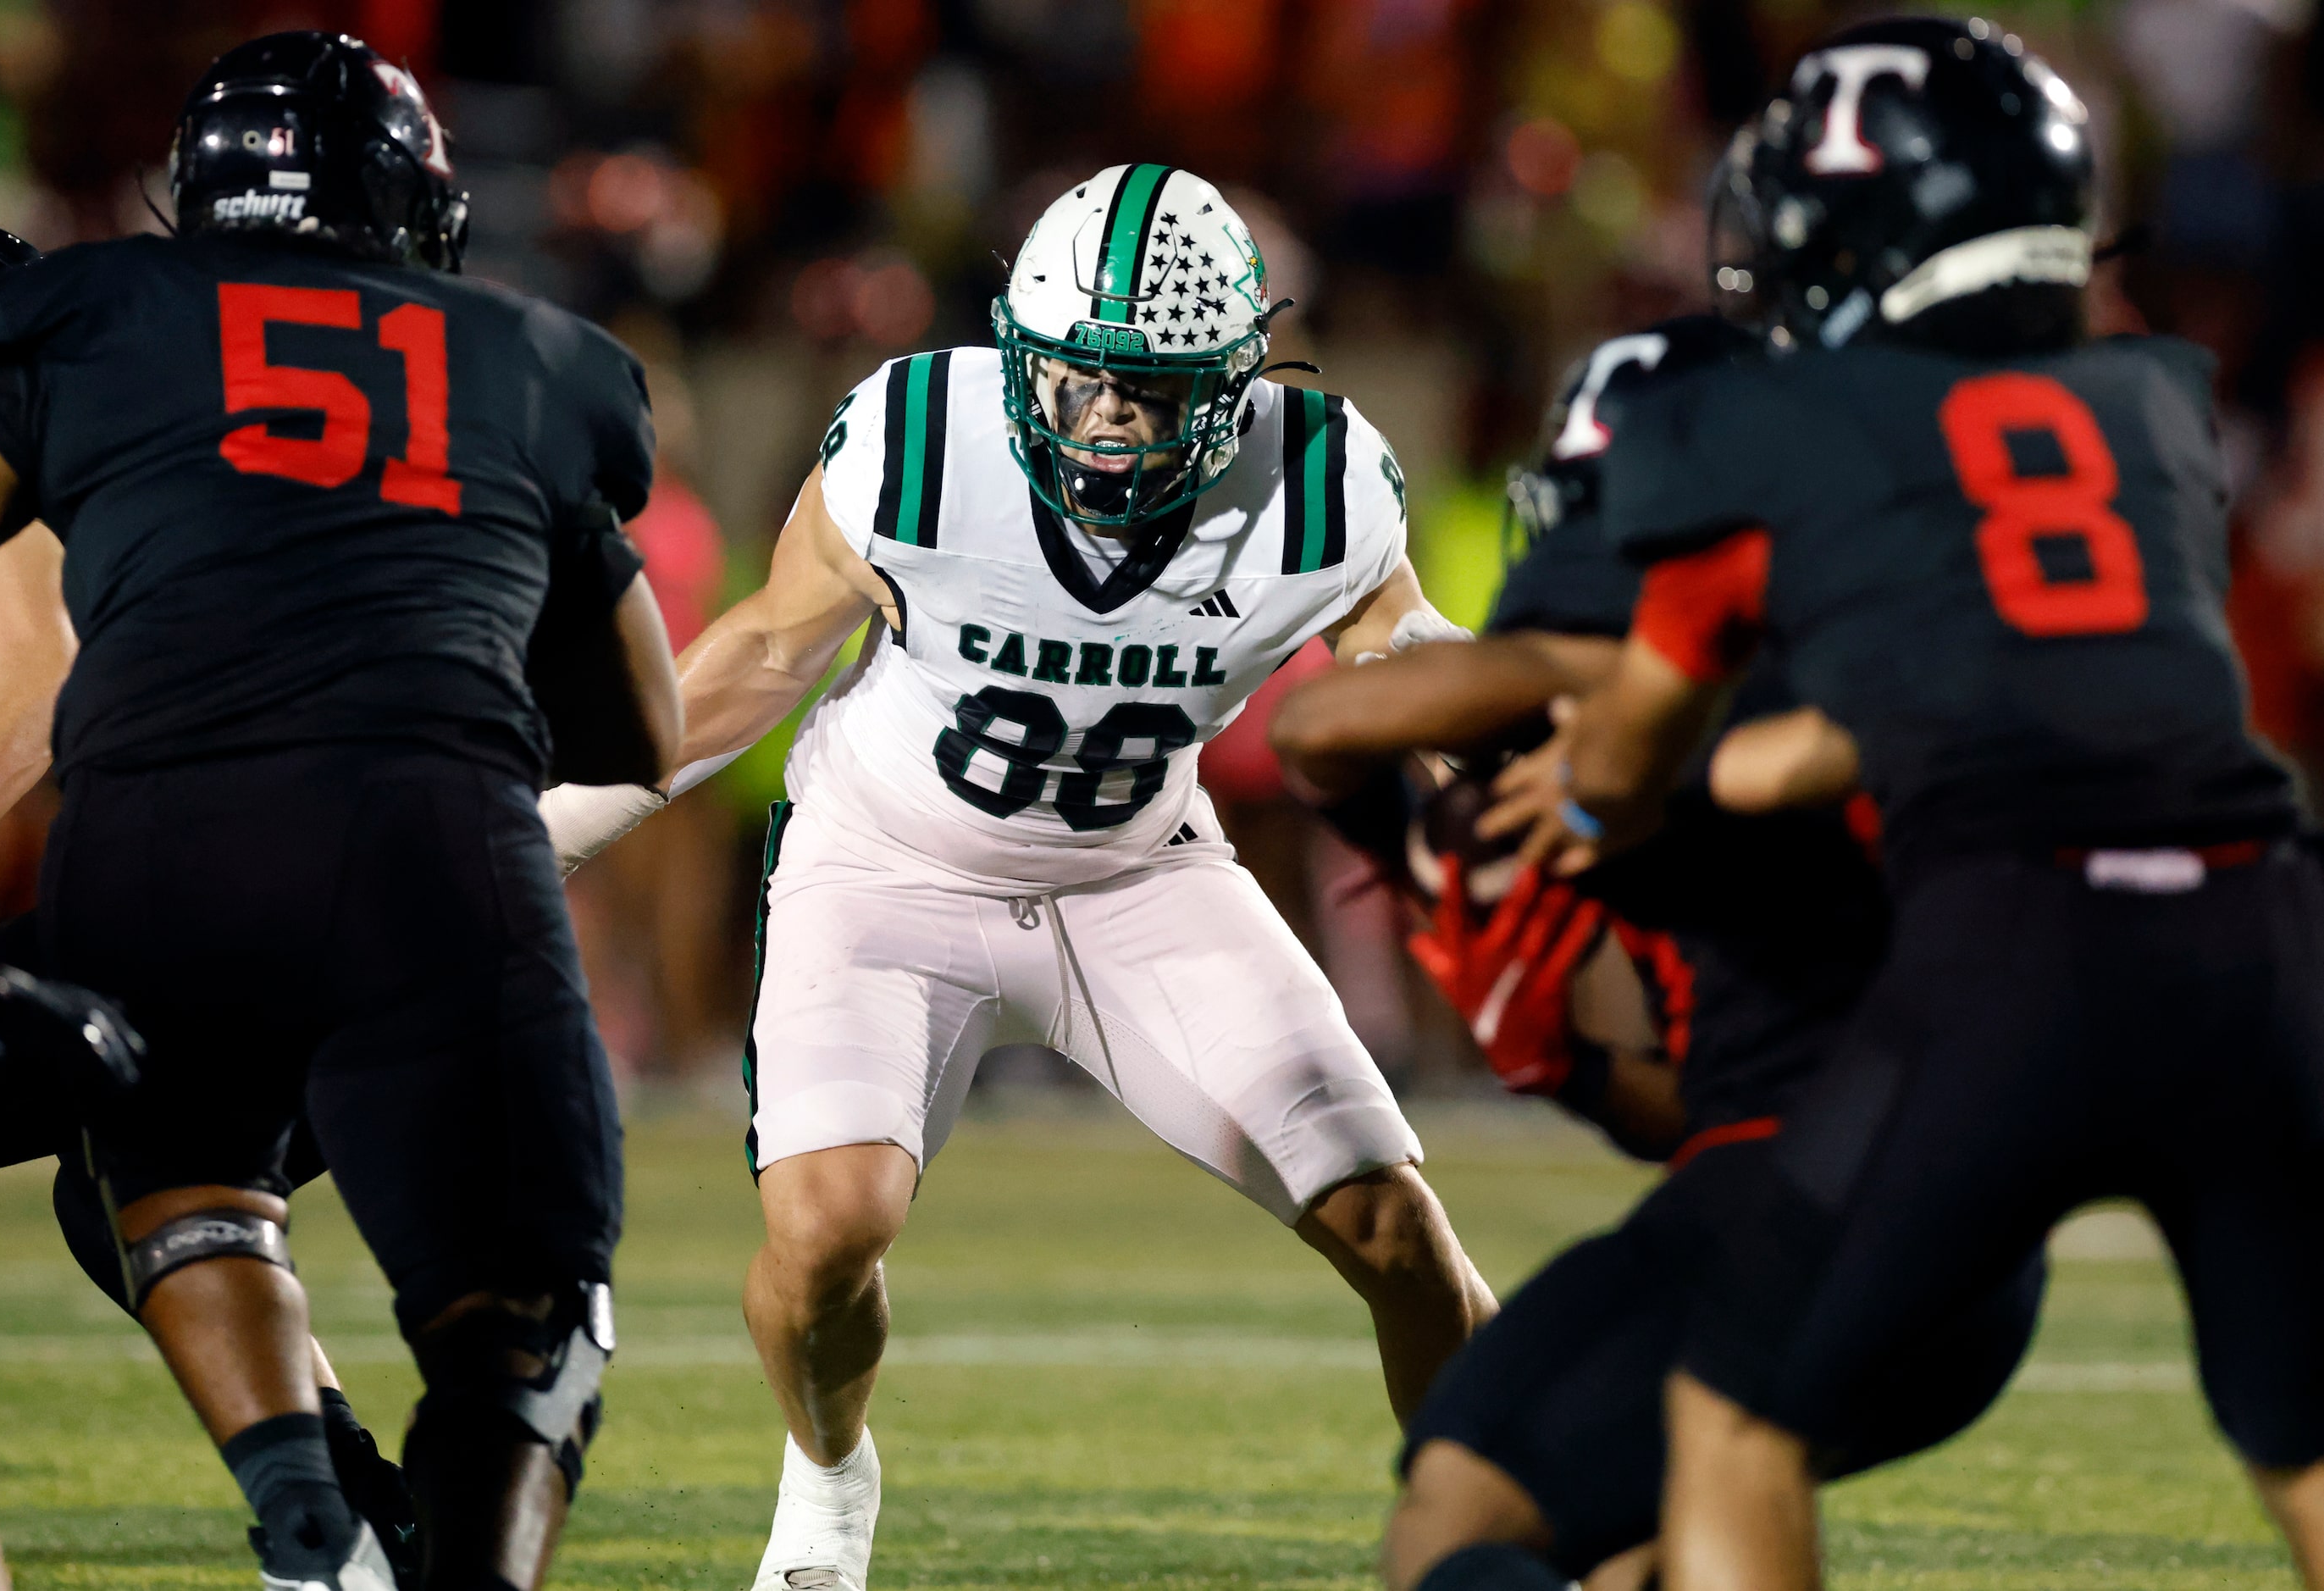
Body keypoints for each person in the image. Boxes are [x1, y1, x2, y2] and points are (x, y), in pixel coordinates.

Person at [542, 164, 1498, 1591]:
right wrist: (537, 827)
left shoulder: (1315, 482)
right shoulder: (920, 439)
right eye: (1073, 381)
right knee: (825, 1234)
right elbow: (758, 657)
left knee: (1397, 1230)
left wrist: (1541, 783)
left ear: (1234, 382)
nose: (1105, 419)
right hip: (888, 861)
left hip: (1141, 877)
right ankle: (826, 1484)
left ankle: (1501, 1537)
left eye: (1148, 389)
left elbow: (1402, 661)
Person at [1500, 19, 2324, 1589]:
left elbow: (1623, 760)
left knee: (1736, 1412)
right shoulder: (2149, 405)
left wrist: (1613, 785)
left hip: (2014, 944)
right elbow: (2026, 675)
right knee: (2301, 1440)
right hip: (2264, 929)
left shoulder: (1766, 419)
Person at [0, 32, 680, 1591]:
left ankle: (310, 1515)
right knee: (518, 1326)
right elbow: (640, 727)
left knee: (173, 1169)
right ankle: (410, 1555)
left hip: (157, 851)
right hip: (432, 837)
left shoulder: (86, 311)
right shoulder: (537, 352)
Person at [1271, 314, 2047, 1591]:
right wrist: (1571, 1063)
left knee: (1463, 1514)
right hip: (1939, 1248)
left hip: (1830, 1212)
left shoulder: (1774, 697)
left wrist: (1471, 850)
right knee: (1637, 1542)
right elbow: (1702, 1107)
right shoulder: (1900, 646)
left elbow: (1328, 726)